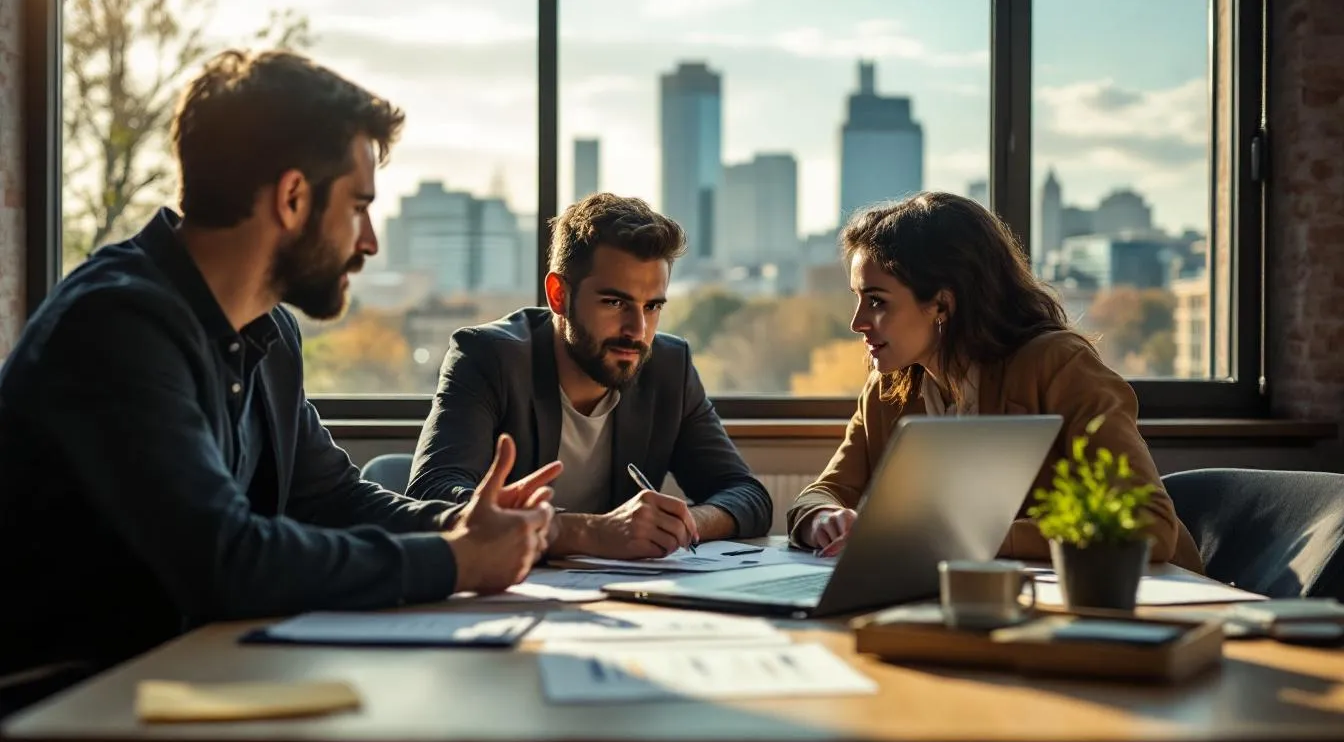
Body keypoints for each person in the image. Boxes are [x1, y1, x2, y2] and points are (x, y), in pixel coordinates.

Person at [0, 50, 560, 700]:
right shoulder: (117, 322)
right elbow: (225, 561)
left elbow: (328, 499)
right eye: (358, 206)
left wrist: (464, 524)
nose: (371, 240)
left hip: (185, 682)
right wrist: (459, 561)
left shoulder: (270, 330)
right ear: (293, 198)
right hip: (60, 709)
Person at [787, 191, 1203, 571]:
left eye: (877, 301)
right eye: (858, 298)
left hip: (1133, 600)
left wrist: (969, 537)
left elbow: (1148, 526)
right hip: (985, 602)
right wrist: (824, 518)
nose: (857, 322)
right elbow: (821, 494)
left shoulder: (1058, 365)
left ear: (942, 305)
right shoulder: (888, 389)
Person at [407, 193, 771, 559]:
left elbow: (747, 496)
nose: (637, 329)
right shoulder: (487, 357)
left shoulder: (669, 367)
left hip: (618, 601)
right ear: (558, 295)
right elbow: (432, 494)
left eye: (652, 306)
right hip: (506, 592)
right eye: (615, 303)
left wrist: (681, 525)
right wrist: (592, 532)